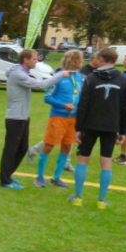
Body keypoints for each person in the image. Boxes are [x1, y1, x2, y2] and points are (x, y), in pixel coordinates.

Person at [69, 48, 126, 208]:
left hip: (90, 125)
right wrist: (122, 131)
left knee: (83, 159)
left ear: (102, 59)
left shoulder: (90, 78)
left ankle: (78, 197)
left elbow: (83, 105)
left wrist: (78, 128)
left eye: (98, 58)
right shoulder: (124, 80)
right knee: (106, 161)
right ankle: (101, 200)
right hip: (111, 126)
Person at [0, 49, 70, 190]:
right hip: (15, 118)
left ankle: (5, 174)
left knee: (22, 148)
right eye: (34, 59)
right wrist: (60, 74)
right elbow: (40, 85)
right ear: (25, 60)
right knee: (11, 149)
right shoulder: (18, 74)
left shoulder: (21, 71)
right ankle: (5, 180)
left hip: (22, 117)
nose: (36, 61)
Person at [33, 50, 84, 188]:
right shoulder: (59, 77)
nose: (82, 61)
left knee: (67, 147)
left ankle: (56, 178)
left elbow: (80, 97)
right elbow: (47, 98)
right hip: (58, 117)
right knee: (49, 146)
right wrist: (63, 105)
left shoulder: (79, 77)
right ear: (74, 60)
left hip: (73, 119)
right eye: (80, 59)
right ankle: (39, 177)